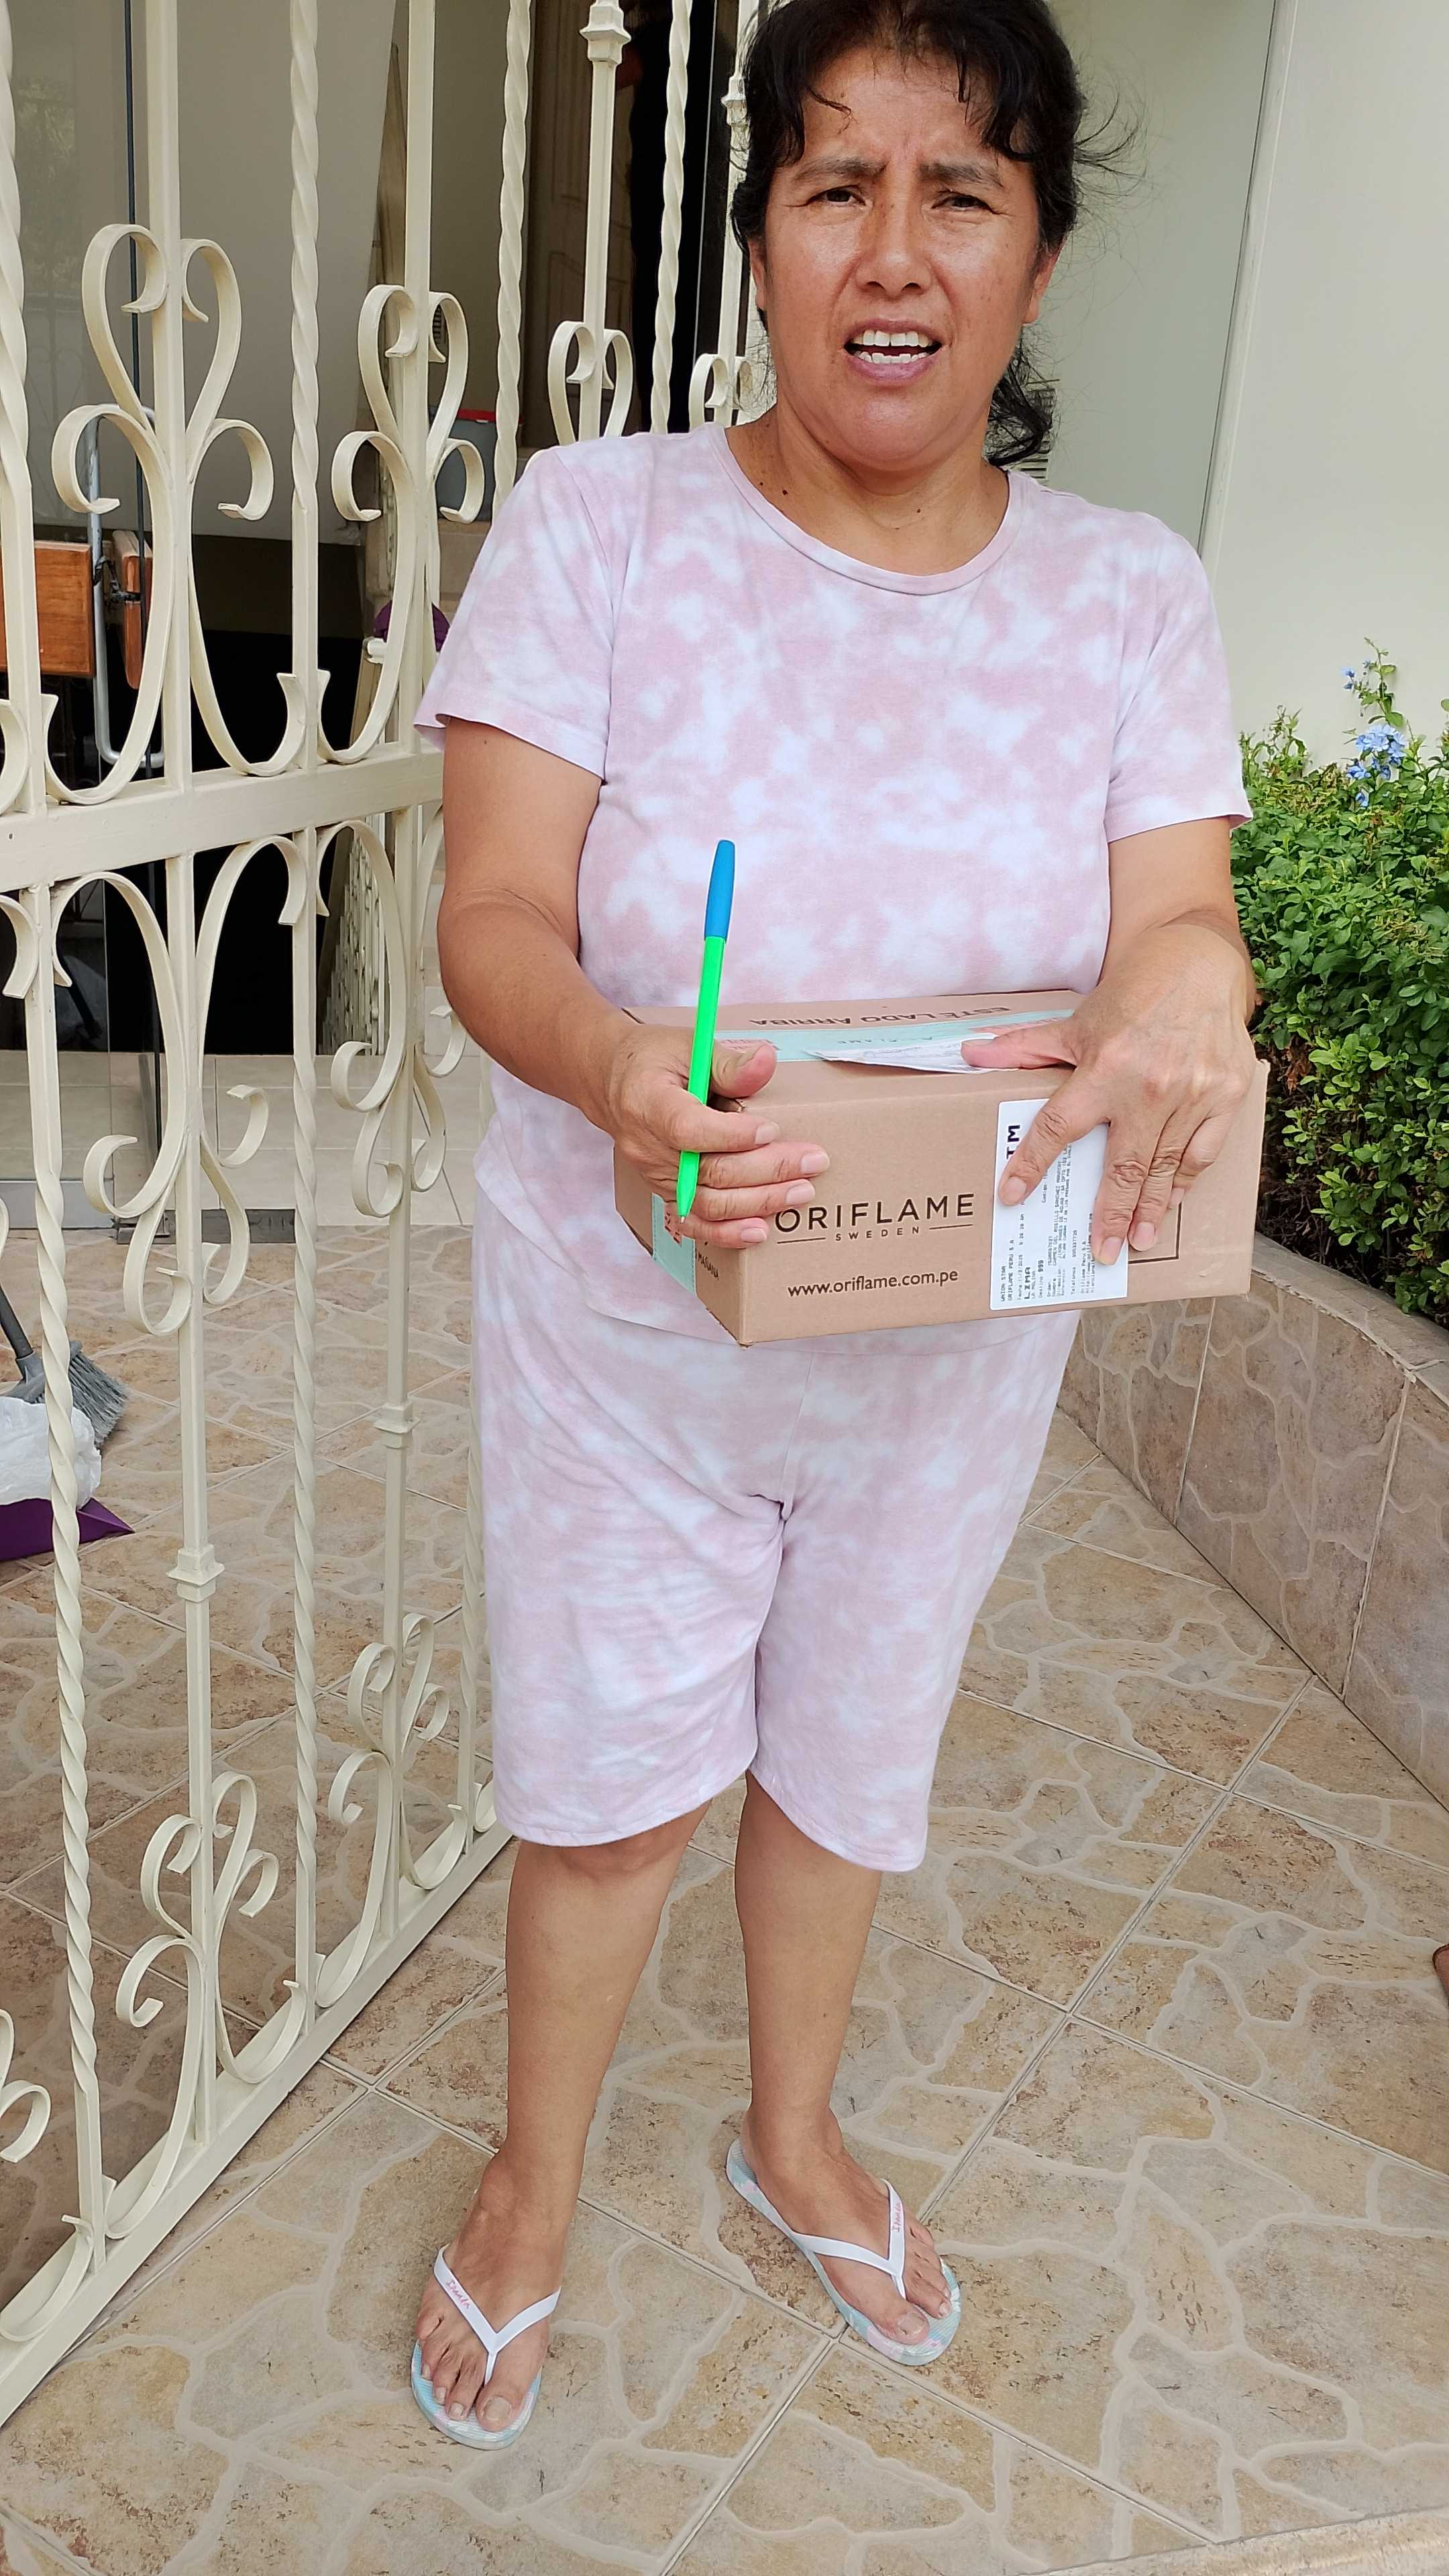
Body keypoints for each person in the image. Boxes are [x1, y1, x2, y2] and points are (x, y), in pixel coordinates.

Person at [409, 0, 1258, 2447]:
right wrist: (616, 1072)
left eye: (960, 193)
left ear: (1040, 254)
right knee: (610, 1788)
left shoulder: (1128, 595)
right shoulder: (604, 529)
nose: (895, 254)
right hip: (631, 1322)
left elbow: (1176, 919)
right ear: (763, 242)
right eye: (832, 187)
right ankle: (532, 2188)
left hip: (948, 1335)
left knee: (852, 1756)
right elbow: (495, 913)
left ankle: (791, 2136)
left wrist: (1189, 1012)